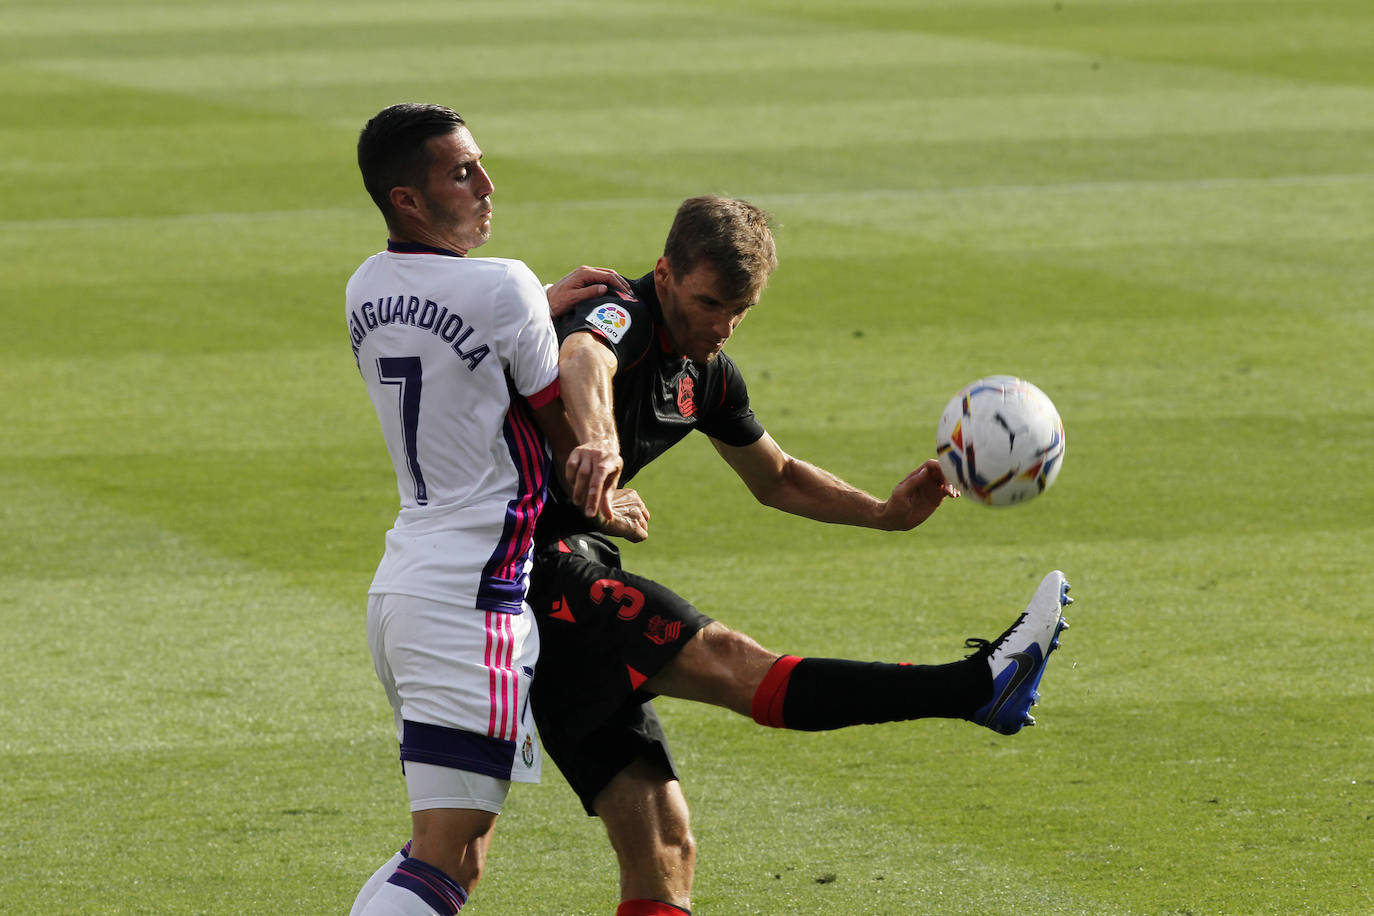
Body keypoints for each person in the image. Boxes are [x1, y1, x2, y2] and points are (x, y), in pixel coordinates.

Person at [528, 195, 1074, 916]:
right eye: (708, 302)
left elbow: (777, 477)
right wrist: (599, 442)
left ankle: (979, 689)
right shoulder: (621, 312)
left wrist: (883, 514)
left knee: (664, 847)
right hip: (525, 562)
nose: (720, 326)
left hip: (568, 573)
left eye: (740, 309)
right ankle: (975, 687)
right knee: (727, 661)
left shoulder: (708, 373)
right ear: (664, 274)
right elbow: (582, 357)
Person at [344, 102, 635, 916]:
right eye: (461, 172)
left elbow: (447, 332)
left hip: (405, 593)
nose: (487, 184)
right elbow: (560, 427)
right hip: (475, 604)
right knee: (449, 862)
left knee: (435, 854)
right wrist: (610, 491)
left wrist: (535, 304)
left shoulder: (364, 286)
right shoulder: (501, 287)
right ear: (408, 199)